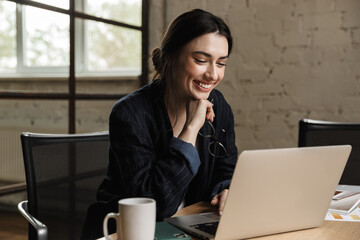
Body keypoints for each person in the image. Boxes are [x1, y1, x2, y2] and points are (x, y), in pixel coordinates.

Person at [81, 8, 238, 239]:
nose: (213, 75)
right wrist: (191, 129)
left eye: (221, 63)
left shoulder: (219, 105)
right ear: (170, 57)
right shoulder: (130, 114)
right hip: (129, 231)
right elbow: (154, 205)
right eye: (201, 60)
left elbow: (227, 168)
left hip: (185, 229)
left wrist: (227, 189)